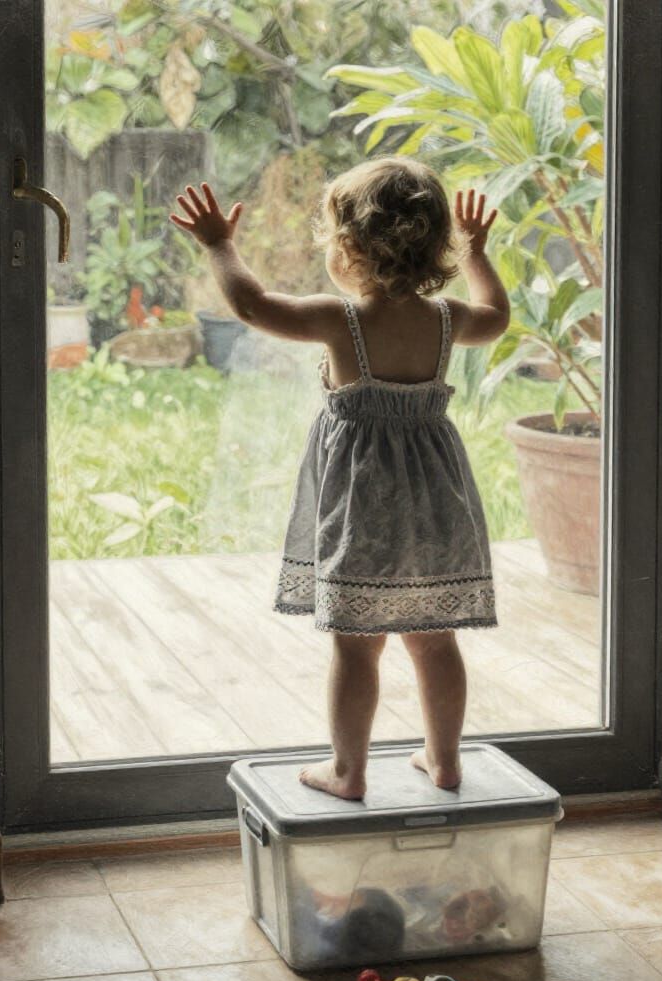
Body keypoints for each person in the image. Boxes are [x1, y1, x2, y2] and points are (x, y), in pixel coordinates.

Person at [171, 157, 510, 800]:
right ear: (438, 244)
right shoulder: (448, 320)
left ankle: (349, 772)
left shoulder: (341, 321)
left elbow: (251, 304)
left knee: (358, 648)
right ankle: (444, 762)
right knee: (435, 643)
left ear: (349, 248)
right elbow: (498, 313)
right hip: (439, 510)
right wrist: (479, 254)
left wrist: (220, 245)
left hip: (365, 515)